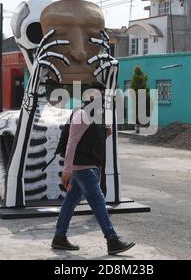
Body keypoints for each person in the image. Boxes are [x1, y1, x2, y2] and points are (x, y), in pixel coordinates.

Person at [51, 82, 135, 255]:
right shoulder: (82, 114)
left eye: (103, 96)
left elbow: (87, 141)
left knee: (70, 202)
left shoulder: (93, 116)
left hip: (87, 166)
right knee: (98, 202)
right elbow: (71, 143)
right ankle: (112, 240)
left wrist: (104, 133)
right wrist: (67, 170)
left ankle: (59, 237)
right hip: (83, 169)